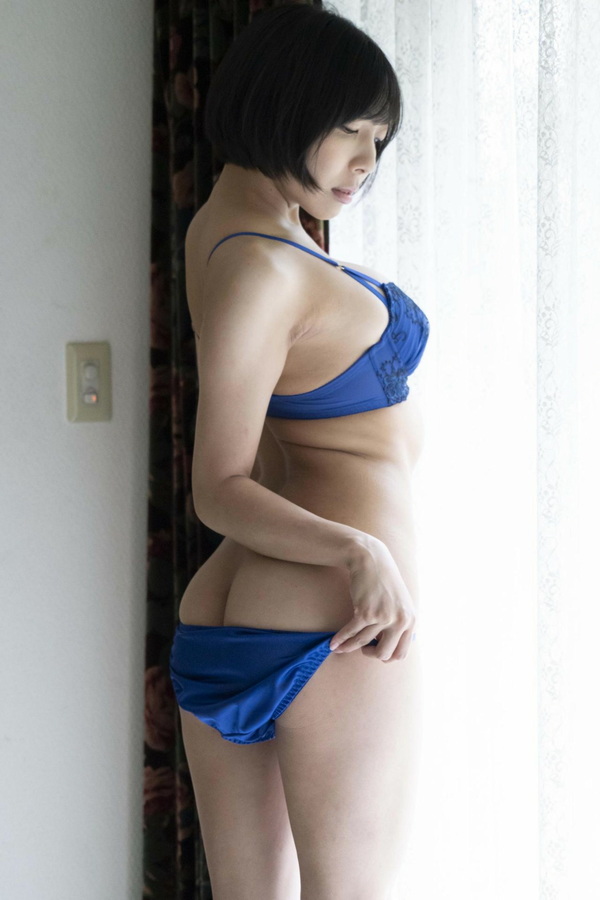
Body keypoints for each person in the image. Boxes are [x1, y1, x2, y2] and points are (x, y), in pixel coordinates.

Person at [169, 3, 430, 898]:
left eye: (379, 139)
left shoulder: (226, 230)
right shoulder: (266, 265)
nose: (365, 162)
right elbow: (218, 483)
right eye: (349, 130)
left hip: (255, 600)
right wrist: (358, 551)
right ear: (284, 104)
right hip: (329, 604)